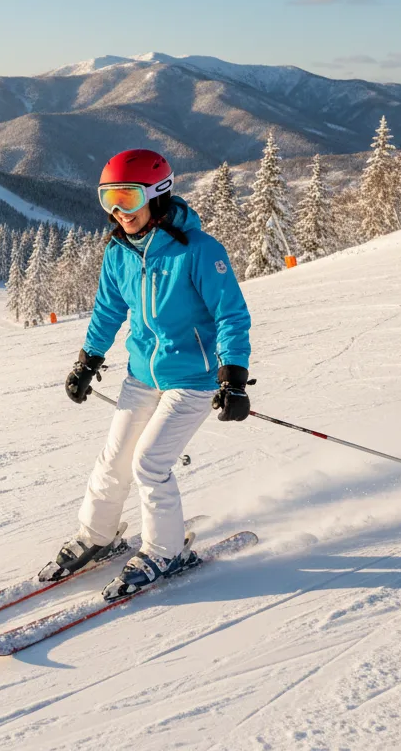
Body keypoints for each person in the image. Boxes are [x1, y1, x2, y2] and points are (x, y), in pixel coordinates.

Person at [41, 148, 252, 599]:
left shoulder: (198, 251)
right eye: (109, 200)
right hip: (140, 377)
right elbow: (108, 309)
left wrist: (232, 377)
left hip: (192, 380)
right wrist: (87, 360)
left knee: (149, 464)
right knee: (113, 462)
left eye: (128, 198)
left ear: (156, 195)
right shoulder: (119, 251)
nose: (119, 211)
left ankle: (163, 550)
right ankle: (96, 536)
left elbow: (231, 315)